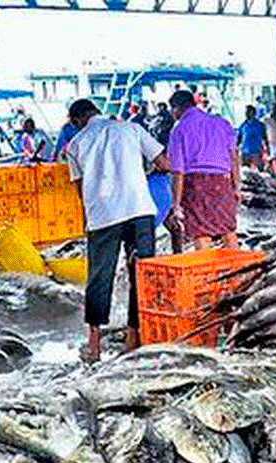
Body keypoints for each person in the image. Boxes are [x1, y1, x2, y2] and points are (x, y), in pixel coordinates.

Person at [66, 99, 169, 363]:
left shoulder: (76, 144)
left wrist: (89, 217)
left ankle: (94, 342)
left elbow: (79, 190)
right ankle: (134, 337)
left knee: (100, 275)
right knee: (141, 272)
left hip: (103, 216)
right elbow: (164, 163)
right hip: (139, 210)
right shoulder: (131, 129)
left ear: (78, 120)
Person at [167, 90, 239, 251]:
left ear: (177, 108)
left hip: (196, 185)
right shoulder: (222, 123)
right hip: (222, 182)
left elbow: (178, 172)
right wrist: (236, 187)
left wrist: (176, 204)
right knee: (228, 230)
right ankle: (239, 272)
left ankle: (207, 274)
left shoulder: (179, 129)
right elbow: (234, 157)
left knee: (201, 233)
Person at [237, 105, 268, 172]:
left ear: (253, 113)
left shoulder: (260, 125)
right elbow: (238, 138)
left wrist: (268, 150)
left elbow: (265, 137)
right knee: (245, 171)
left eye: (248, 111)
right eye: (246, 112)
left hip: (256, 151)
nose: (246, 113)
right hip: (245, 151)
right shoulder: (243, 125)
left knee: (261, 170)